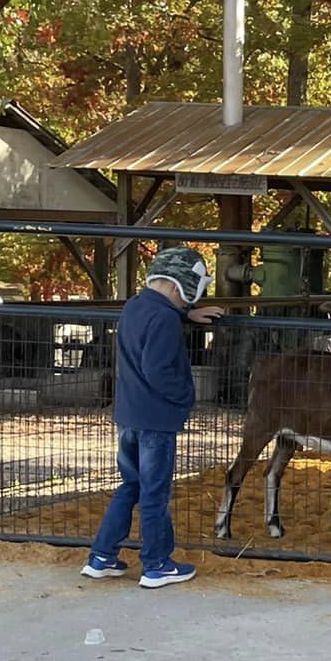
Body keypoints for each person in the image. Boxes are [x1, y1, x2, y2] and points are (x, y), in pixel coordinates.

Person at [85, 245, 225, 588]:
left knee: (130, 485)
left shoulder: (136, 306)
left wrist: (185, 315)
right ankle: (157, 563)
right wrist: (186, 397)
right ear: (182, 286)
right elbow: (159, 369)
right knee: (155, 492)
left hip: (129, 415)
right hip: (157, 420)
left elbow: (155, 320)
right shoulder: (164, 319)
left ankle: (101, 556)